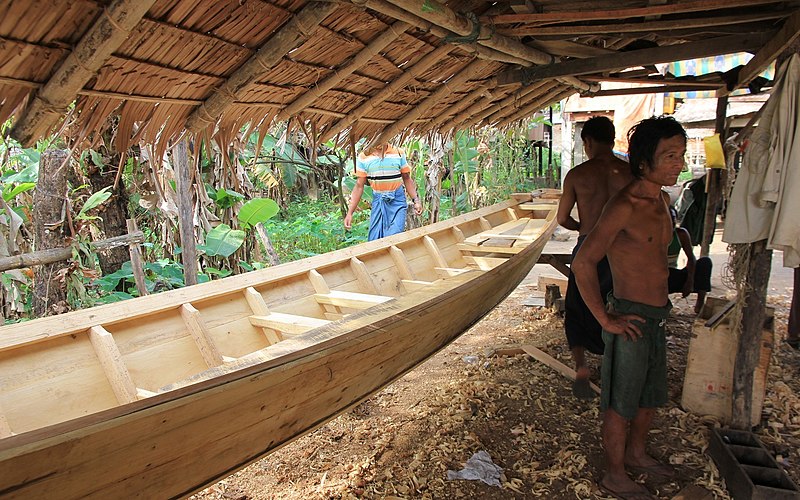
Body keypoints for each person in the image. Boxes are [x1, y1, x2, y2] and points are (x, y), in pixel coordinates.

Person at [573, 116, 687, 500]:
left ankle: (636, 455)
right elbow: (583, 263)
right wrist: (605, 318)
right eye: (670, 156)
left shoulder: (664, 200)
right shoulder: (624, 205)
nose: (679, 163)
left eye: (681, 155)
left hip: (656, 316)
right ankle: (615, 474)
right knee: (621, 400)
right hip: (631, 314)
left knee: (649, 395)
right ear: (643, 162)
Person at [556, 116, 634, 400]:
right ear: (612, 140)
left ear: (587, 142)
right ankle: (618, 363)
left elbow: (562, 218)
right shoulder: (630, 173)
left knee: (578, 309)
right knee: (619, 304)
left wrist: (582, 228)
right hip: (623, 250)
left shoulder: (577, 175)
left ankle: (581, 366)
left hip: (588, 246)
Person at [344, 143, 423, 241]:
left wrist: (416, 200)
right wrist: (350, 213)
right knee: (375, 240)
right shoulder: (363, 157)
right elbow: (359, 186)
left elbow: (406, 178)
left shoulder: (398, 153)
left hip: (397, 200)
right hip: (378, 201)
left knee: (395, 237)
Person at [666, 206, 712, 314]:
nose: (671, 224)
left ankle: (700, 304)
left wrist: (689, 281)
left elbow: (691, 259)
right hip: (656, 278)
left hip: (672, 276)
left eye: (673, 220)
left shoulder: (680, 234)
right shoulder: (652, 235)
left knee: (705, 262)